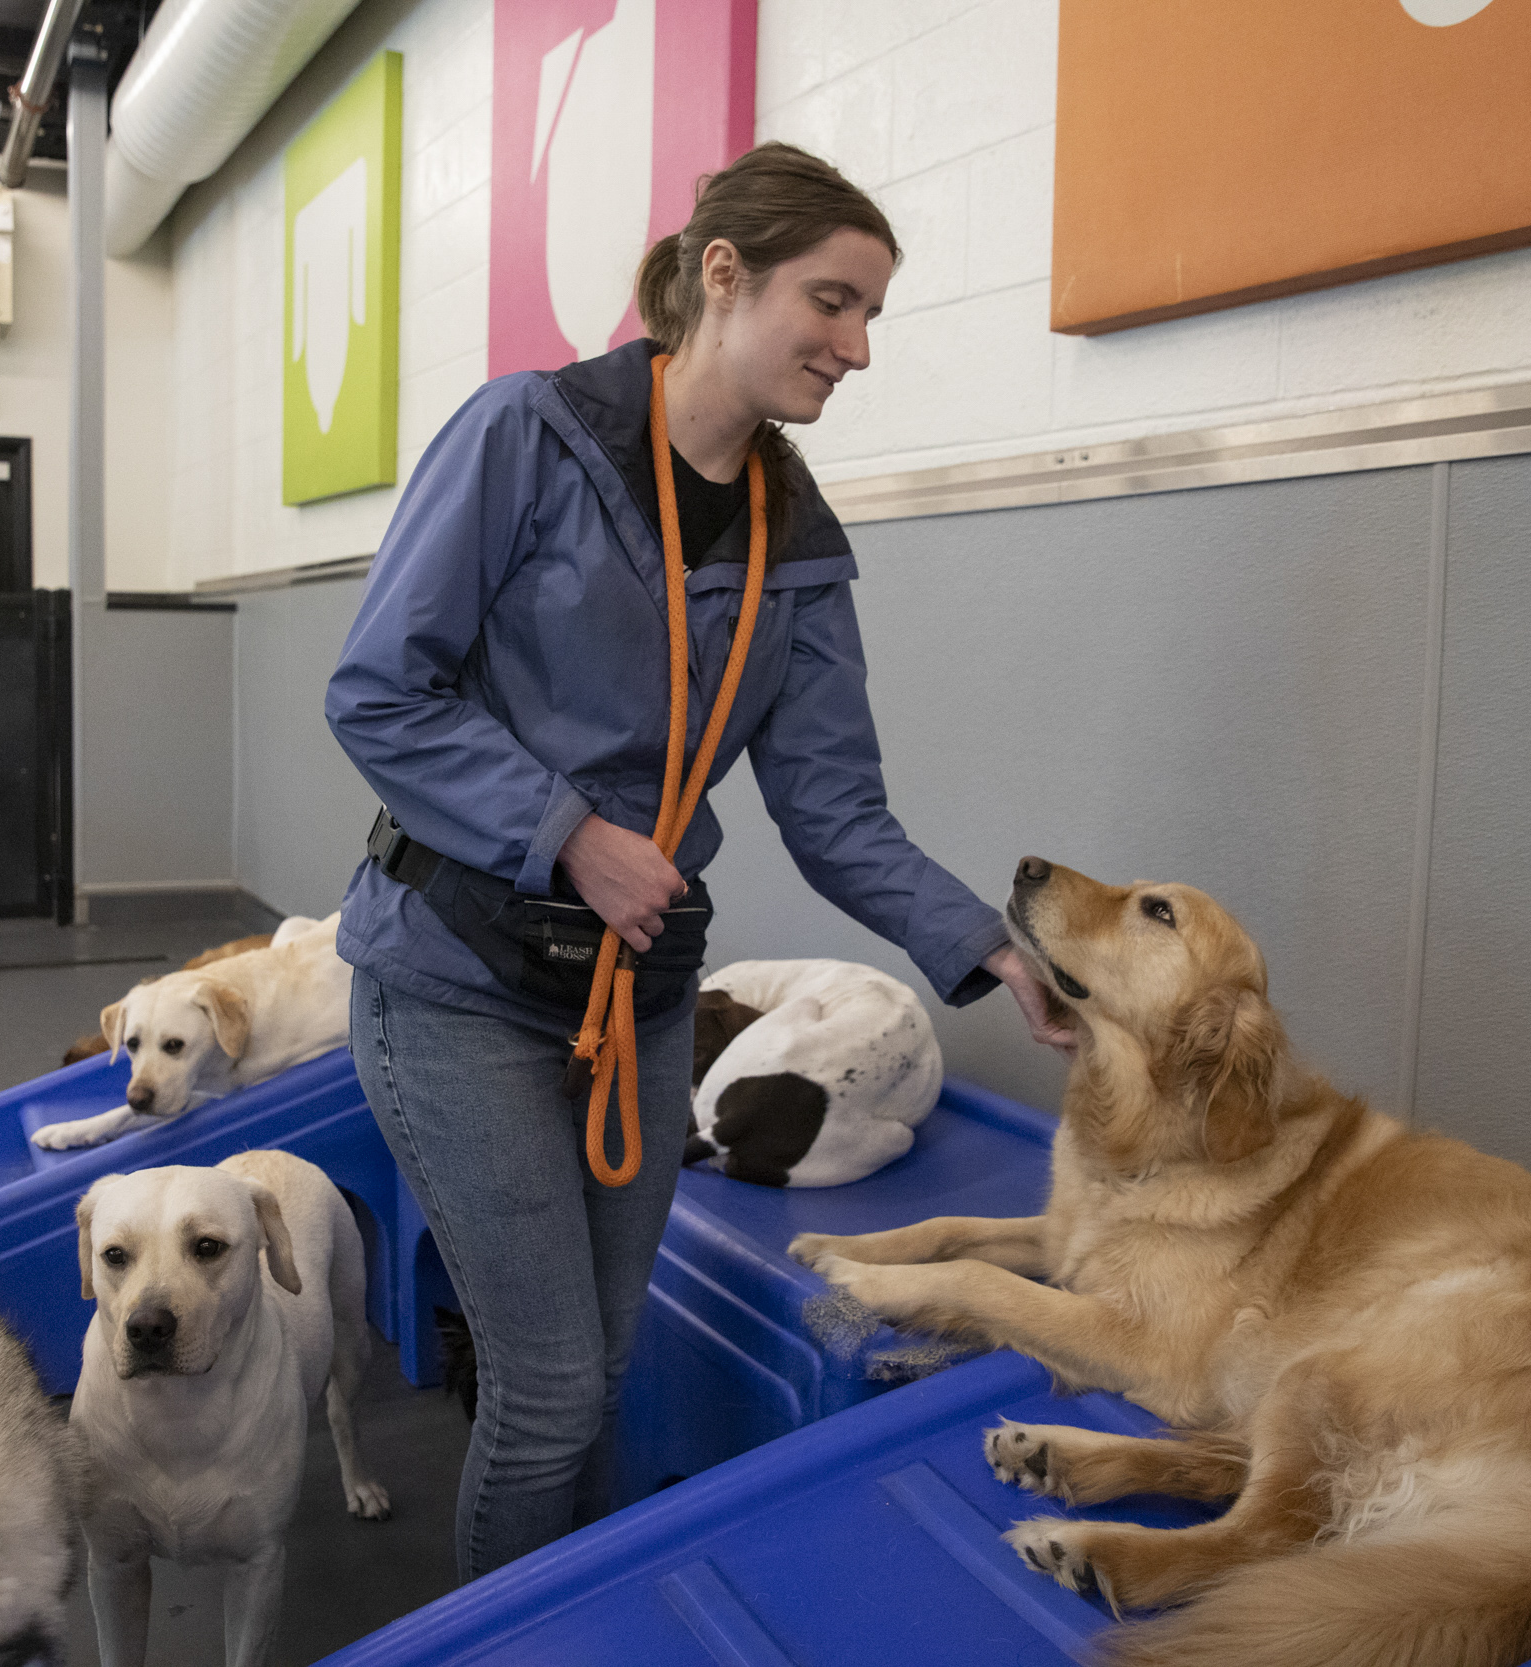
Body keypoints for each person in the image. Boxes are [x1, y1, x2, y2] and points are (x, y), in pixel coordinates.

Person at [325, 142, 1063, 1581]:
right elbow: (376, 692)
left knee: (595, 1377)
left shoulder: (801, 541)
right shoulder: (525, 438)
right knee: (545, 1396)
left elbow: (837, 809)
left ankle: (575, 1619)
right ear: (722, 277)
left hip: (637, 996)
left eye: (869, 320)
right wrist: (569, 836)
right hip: (456, 977)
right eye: (831, 304)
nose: (854, 349)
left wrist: (991, 949)